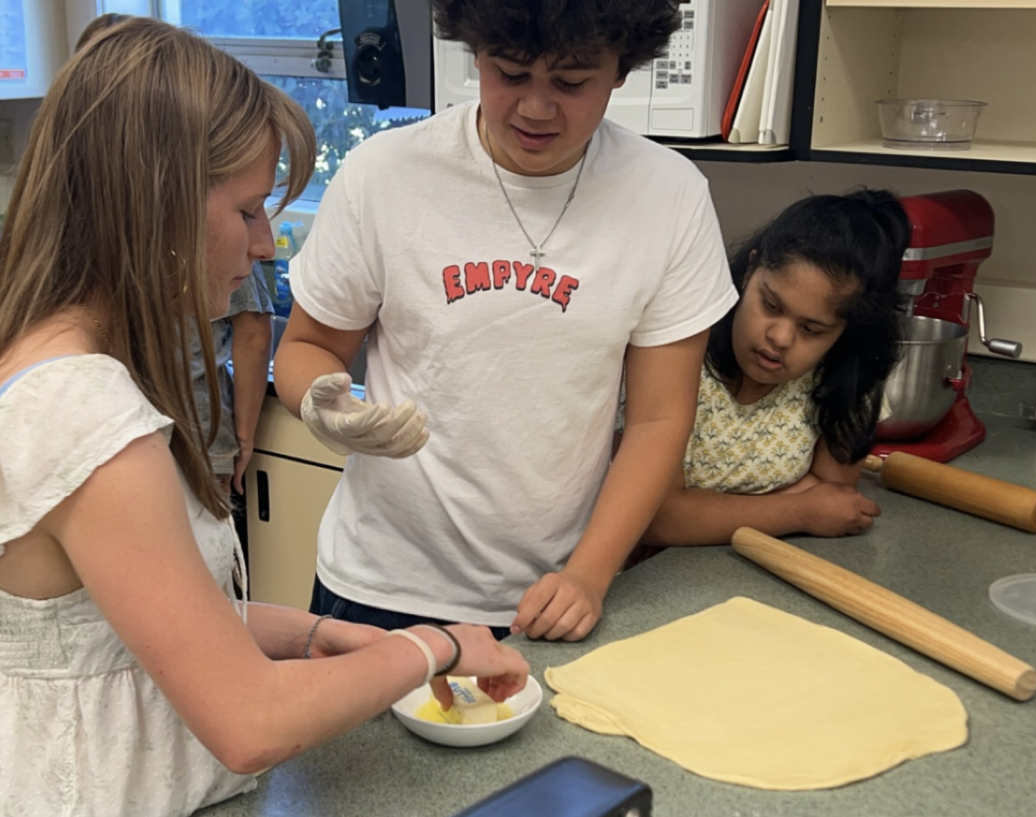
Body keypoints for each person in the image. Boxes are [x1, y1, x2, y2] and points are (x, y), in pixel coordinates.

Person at [0, 16, 528, 817]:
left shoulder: (18, 358)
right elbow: (250, 721)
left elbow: (122, 624)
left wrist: (315, 635)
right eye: (245, 212)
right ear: (153, 205)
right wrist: (437, 642)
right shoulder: (81, 415)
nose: (265, 243)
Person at [273, 0, 737, 643]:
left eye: (573, 82)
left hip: (554, 593)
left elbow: (660, 418)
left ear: (622, 69)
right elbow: (308, 346)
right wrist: (323, 406)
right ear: (475, 51)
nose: (537, 108)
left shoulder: (670, 195)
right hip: (378, 586)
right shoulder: (386, 175)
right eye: (510, 73)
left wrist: (590, 575)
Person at [637, 189, 910, 550]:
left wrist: (702, 512)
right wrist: (797, 510)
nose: (779, 338)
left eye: (811, 329)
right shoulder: (677, 352)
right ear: (750, 269)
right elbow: (658, 518)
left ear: (845, 333)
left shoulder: (845, 377)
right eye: (770, 304)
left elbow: (834, 496)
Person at [190, 260, 273, 495]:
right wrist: (243, 436)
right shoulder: (217, 229)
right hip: (200, 432)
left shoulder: (105, 229)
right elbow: (254, 333)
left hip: (115, 429)